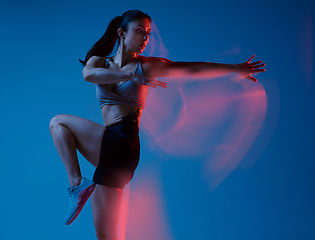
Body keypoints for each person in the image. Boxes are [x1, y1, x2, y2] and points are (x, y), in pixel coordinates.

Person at [49, 9, 266, 240]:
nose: (145, 38)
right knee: (105, 234)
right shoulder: (99, 62)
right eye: (140, 31)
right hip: (114, 153)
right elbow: (89, 75)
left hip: (123, 142)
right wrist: (129, 77)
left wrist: (234, 69)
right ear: (121, 33)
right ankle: (79, 185)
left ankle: (76, 183)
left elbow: (192, 69)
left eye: (149, 33)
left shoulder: (148, 66)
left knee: (57, 122)